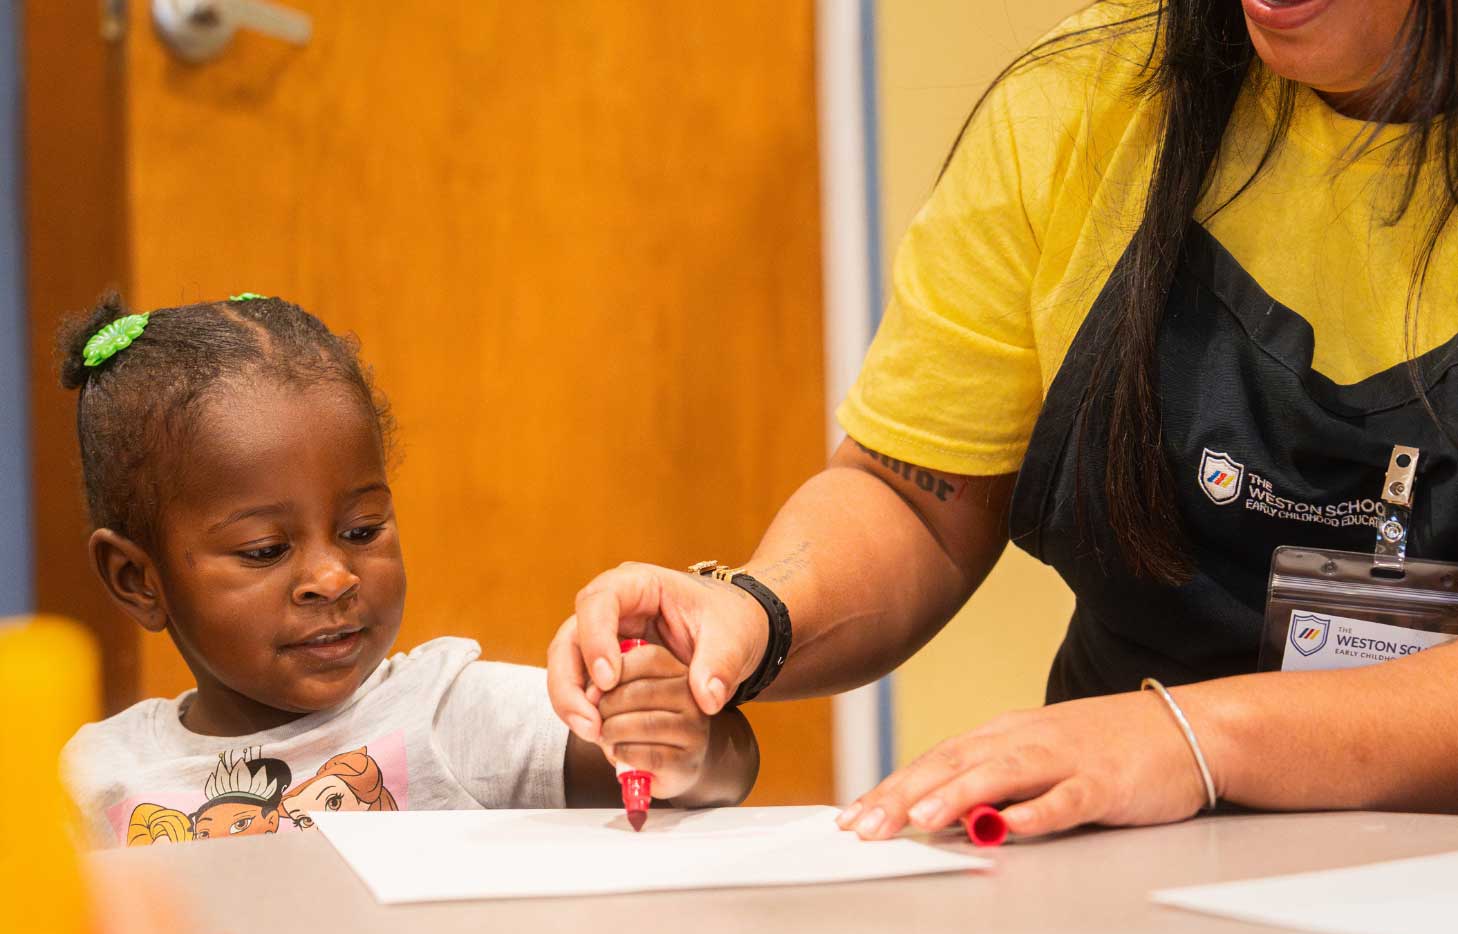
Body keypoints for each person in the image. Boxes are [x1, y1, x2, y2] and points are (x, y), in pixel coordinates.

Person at [548, 0, 1458, 840]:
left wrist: (1192, 738)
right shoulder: (1082, 103)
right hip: (1131, 859)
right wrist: (753, 608)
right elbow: (915, 502)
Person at [60, 294, 758, 848]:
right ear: (136, 579)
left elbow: (717, 774)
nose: (332, 578)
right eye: (266, 550)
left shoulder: (448, 714)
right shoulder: (90, 779)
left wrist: (680, 741)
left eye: (362, 531)